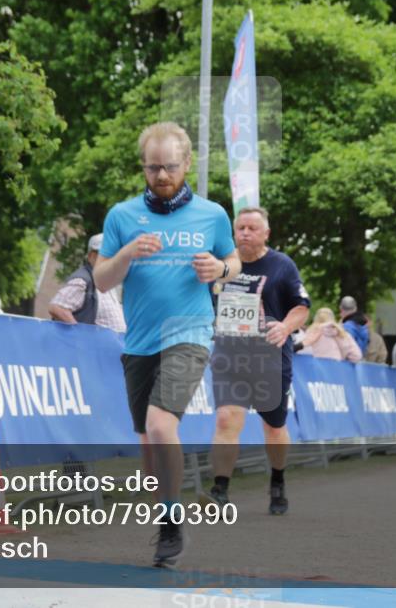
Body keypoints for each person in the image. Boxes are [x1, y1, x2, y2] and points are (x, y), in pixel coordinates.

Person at [94, 121, 241, 567]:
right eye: (153, 167)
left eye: (170, 167)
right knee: (147, 442)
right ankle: (165, 513)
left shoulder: (212, 214)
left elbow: (233, 260)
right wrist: (126, 254)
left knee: (161, 426)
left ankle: (173, 523)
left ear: (187, 163)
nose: (161, 176)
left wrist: (219, 269)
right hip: (139, 341)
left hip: (190, 332)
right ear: (142, 166)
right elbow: (102, 280)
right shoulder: (122, 216)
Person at [202, 207, 310, 515]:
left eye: (252, 228)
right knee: (226, 419)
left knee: (274, 427)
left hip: (270, 360)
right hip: (229, 355)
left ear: (266, 233)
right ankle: (219, 490)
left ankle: (278, 481)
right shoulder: (222, 264)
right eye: (241, 228)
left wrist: (286, 327)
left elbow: (302, 307)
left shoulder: (281, 266)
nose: (245, 233)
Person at [49, 233, 126, 332]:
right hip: (91, 346)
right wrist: (81, 337)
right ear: (92, 256)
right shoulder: (83, 280)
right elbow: (57, 307)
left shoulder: (109, 283)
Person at [298, 308, 362, 362]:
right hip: (336, 367)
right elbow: (356, 356)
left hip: (315, 369)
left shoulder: (310, 332)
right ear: (332, 318)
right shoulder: (340, 333)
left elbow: (303, 352)